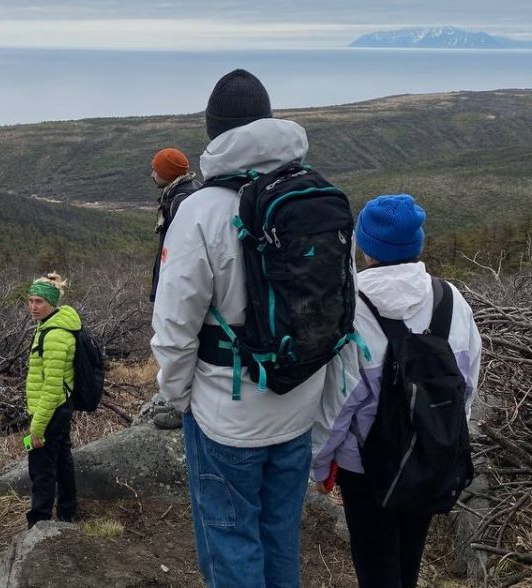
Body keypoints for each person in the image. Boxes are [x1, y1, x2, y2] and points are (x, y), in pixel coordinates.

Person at [151, 69, 328, 587]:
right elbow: (339, 310)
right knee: (279, 539)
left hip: (225, 416)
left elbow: (173, 328)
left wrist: (182, 398)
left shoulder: (201, 211)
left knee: (231, 547)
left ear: (215, 132)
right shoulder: (314, 198)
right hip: (298, 403)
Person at [312, 195, 481, 588]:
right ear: (416, 244)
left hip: (365, 468)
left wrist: (320, 464)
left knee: (375, 562)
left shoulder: (351, 307)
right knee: (409, 557)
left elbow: (339, 403)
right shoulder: (452, 301)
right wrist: (442, 439)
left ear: (364, 246)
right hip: (431, 454)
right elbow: (466, 385)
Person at [149, 147, 201, 431]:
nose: (152, 173)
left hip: (179, 285)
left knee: (174, 337)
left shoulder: (180, 199)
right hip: (178, 281)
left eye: (156, 168)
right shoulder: (188, 191)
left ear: (167, 173)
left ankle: (178, 404)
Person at [25, 272, 79, 528]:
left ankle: (39, 521)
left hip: (51, 410)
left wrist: (37, 425)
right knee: (61, 460)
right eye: (30, 300)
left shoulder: (56, 334)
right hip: (58, 408)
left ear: (52, 303)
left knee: (42, 468)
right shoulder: (48, 326)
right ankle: (67, 513)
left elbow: (52, 386)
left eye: (39, 302)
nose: (33, 307)